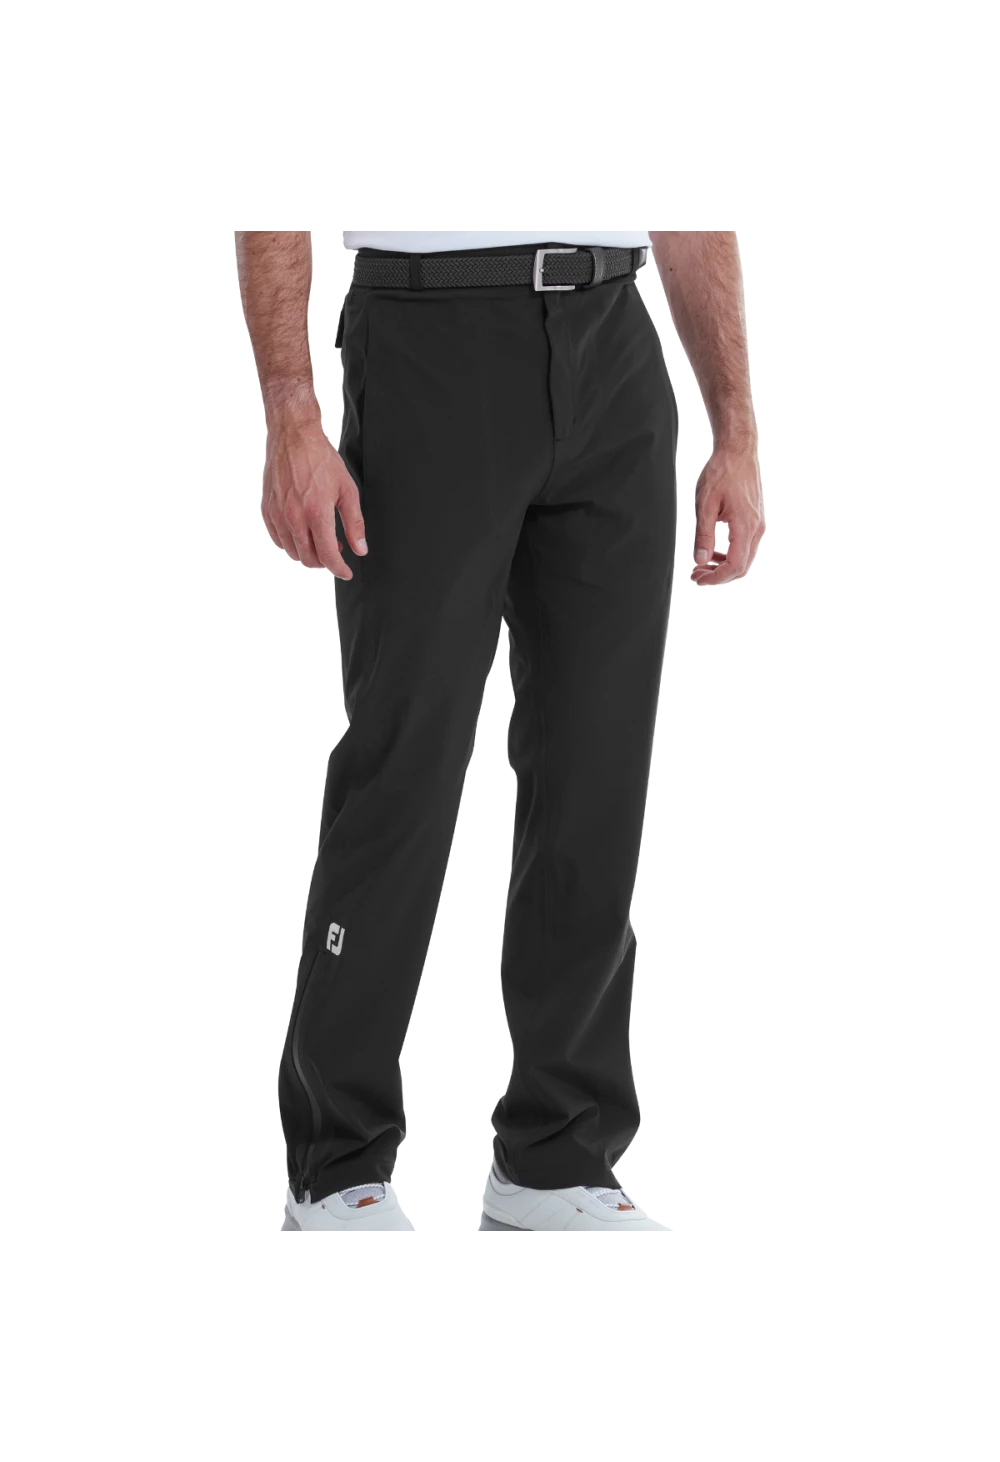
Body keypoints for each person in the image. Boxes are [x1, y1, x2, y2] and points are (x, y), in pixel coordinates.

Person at [239, 224, 763, 1233]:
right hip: (428, 336)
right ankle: (333, 1160)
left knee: (598, 771)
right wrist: (292, 415)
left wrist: (736, 430)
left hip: (613, 338)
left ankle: (556, 1156)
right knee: (406, 760)